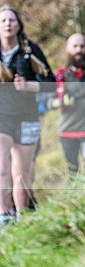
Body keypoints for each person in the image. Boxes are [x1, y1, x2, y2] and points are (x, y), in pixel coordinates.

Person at [0, 5, 54, 225]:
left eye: (11, 20)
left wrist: (30, 86)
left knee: (22, 172)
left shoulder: (30, 50)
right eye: (3, 21)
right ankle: (4, 220)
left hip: (26, 115)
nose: (8, 24)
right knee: (1, 168)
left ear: (19, 25)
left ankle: (22, 217)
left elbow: (51, 84)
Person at [47, 32, 85, 178]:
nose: (79, 50)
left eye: (82, 46)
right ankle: (75, 200)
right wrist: (60, 102)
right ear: (67, 48)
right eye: (75, 46)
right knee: (72, 170)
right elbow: (48, 102)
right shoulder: (59, 76)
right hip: (68, 130)